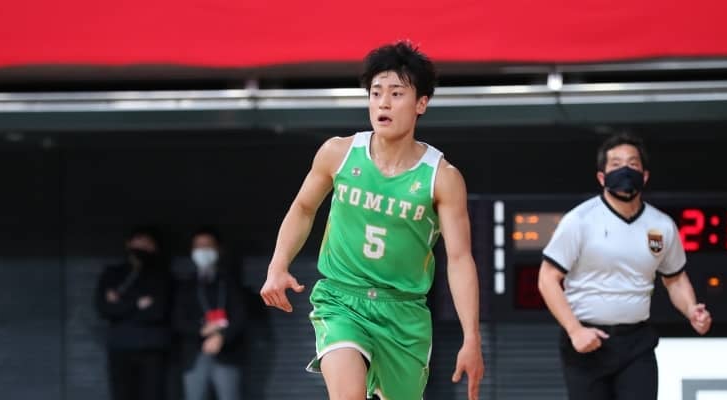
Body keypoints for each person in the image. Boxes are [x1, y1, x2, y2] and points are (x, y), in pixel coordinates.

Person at [259, 40, 484, 400]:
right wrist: (277, 265)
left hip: (404, 313)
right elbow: (303, 208)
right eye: (376, 93)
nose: (383, 102)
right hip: (341, 300)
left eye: (396, 93)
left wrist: (471, 337)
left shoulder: (442, 177)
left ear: (421, 104)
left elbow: (459, 258)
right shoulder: (338, 153)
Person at [537, 133, 713, 400]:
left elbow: (675, 278)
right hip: (587, 340)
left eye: (632, 164)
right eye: (616, 164)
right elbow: (547, 278)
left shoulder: (661, 225)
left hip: (636, 342)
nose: (625, 170)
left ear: (645, 176)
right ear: (601, 177)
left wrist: (691, 310)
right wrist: (575, 330)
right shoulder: (579, 221)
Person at [95, 226, 172, 400]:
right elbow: (103, 308)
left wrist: (121, 303)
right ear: (128, 244)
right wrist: (137, 303)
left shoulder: (162, 276)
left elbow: (158, 312)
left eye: (148, 243)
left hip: (151, 349)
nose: (143, 247)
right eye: (139, 242)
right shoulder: (112, 274)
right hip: (120, 347)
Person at [173, 226, 248, 400]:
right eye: (198, 246)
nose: (203, 251)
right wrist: (201, 329)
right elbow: (177, 319)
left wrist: (222, 336)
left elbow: (240, 316)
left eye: (207, 246)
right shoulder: (186, 285)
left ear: (218, 249)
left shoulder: (229, 282)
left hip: (227, 353)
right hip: (193, 354)